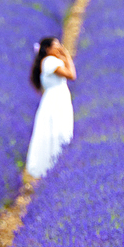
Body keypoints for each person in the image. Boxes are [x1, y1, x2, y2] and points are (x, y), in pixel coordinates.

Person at [26, 36, 76, 178]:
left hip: (54, 100)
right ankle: (55, 167)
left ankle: (54, 167)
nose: (59, 47)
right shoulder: (50, 62)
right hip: (56, 101)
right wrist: (66, 55)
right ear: (48, 49)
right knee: (57, 131)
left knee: (53, 131)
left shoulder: (47, 62)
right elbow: (71, 75)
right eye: (56, 45)